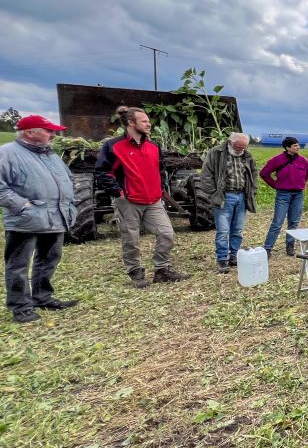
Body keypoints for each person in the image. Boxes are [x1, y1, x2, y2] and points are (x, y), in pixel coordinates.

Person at [96, 106, 189, 287]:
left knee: (167, 234)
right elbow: (103, 173)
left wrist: (160, 187)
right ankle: (136, 272)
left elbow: (160, 170)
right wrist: (119, 193)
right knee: (131, 239)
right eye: (144, 121)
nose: (149, 124)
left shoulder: (153, 147)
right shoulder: (113, 146)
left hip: (153, 200)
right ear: (131, 123)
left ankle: (162, 270)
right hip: (129, 201)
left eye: (148, 121)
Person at [0, 115, 78, 323]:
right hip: (25, 221)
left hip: (55, 216)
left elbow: (68, 178)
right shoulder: (7, 153)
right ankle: (20, 306)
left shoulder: (50, 155)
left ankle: (42, 296)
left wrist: (69, 202)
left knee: (49, 259)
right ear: (29, 132)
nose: (53, 134)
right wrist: (23, 206)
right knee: (18, 265)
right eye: (48, 130)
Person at [201, 132, 258, 274]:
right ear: (230, 142)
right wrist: (215, 194)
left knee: (237, 230)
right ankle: (222, 259)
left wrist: (252, 191)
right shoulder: (216, 153)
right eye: (239, 147)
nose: (241, 150)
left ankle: (234, 256)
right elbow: (206, 175)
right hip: (224, 197)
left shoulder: (247, 155)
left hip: (241, 197)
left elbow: (254, 174)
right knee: (223, 231)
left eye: (243, 147)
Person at [260, 136, 308, 257]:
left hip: (298, 194)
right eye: (295, 145)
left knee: (294, 222)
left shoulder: (303, 160)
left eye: (298, 145)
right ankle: (267, 248)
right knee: (277, 222)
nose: (298, 147)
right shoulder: (277, 160)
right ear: (288, 147)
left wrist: (301, 183)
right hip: (283, 194)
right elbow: (264, 173)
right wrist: (275, 185)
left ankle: (290, 246)